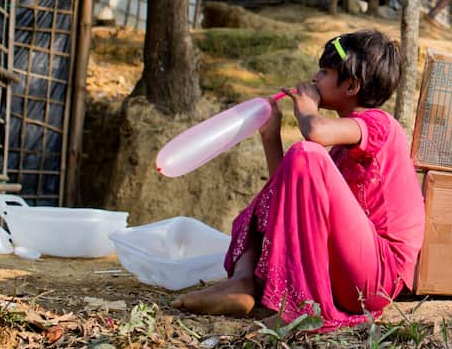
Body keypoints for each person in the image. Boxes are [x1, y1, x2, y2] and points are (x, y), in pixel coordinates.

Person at [172, 30, 425, 331]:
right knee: (292, 172)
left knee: (306, 153)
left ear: (351, 85)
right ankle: (243, 281)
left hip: (377, 278)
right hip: (349, 273)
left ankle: (301, 308)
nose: (315, 78)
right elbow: (287, 196)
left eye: (325, 71)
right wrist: (271, 135)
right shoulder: (339, 152)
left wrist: (306, 108)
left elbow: (314, 132)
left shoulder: (381, 125)